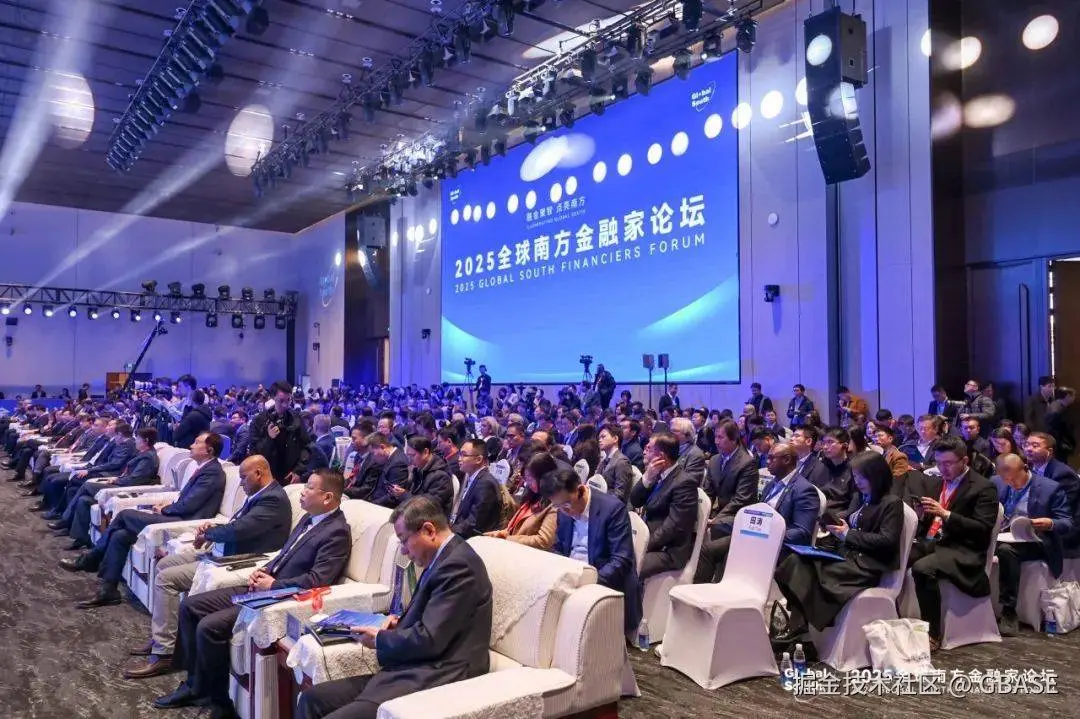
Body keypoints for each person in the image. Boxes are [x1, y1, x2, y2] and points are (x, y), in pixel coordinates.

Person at [153, 469, 351, 717]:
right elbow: (284, 554)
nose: (303, 491)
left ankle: (219, 702)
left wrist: (273, 585)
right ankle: (195, 684)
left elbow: (318, 580)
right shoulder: (308, 518)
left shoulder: (336, 531)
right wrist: (264, 570)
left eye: (310, 487)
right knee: (190, 605)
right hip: (263, 586)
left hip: (282, 597)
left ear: (327, 497)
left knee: (209, 626)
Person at [295, 496, 493, 719]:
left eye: (404, 540)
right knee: (311, 699)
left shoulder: (458, 566)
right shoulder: (443, 558)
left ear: (429, 530)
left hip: (440, 673)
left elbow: (430, 640)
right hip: (412, 668)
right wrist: (399, 625)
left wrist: (379, 639)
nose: (404, 551)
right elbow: (435, 621)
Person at [123, 455, 292, 679]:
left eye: (243, 477)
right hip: (222, 552)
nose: (241, 483)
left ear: (258, 473)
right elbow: (235, 525)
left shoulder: (273, 499)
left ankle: (164, 653)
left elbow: (239, 529)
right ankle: (167, 638)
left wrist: (208, 534)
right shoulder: (260, 495)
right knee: (164, 564)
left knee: (167, 579)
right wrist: (211, 528)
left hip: (238, 560)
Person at [60, 433, 227, 608]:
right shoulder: (203, 469)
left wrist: (165, 509)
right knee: (120, 535)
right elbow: (187, 499)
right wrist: (168, 504)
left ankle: (91, 558)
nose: (191, 445)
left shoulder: (212, 473)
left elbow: (190, 505)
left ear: (209, 450)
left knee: (124, 515)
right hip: (176, 514)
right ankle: (108, 590)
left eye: (197, 442)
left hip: (184, 521)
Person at [773, 452, 905, 641]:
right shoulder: (861, 497)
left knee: (805, 571)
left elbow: (887, 540)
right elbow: (849, 522)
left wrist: (847, 534)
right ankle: (800, 627)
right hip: (846, 555)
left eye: (862, 477)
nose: (857, 481)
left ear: (876, 475)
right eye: (855, 476)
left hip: (866, 566)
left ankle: (800, 629)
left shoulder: (892, 503)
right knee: (793, 561)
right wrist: (835, 526)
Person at [907, 435, 999, 649]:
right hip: (936, 541)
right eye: (938, 463)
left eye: (948, 463)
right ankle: (899, 619)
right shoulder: (937, 482)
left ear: (964, 461)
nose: (942, 468)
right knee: (896, 555)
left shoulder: (984, 487)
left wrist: (946, 514)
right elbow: (931, 521)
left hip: (964, 549)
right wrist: (921, 515)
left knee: (922, 569)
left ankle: (933, 633)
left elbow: (982, 529)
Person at [694, 443, 818, 584]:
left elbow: (802, 532)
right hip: (755, 535)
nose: (767, 462)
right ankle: (702, 591)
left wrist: (769, 534)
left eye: (772, 458)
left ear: (787, 460)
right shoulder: (771, 484)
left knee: (730, 553)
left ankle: (725, 590)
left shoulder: (804, 490)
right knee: (709, 547)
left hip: (776, 545)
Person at [543, 466, 642, 633]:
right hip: (572, 577)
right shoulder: (562, 510)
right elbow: (559, 548)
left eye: (567, 504)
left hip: (602, 581)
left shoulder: (612, 509)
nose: (564, 511)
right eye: (558, 506)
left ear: (580, 490)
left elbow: (621, 560)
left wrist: (587, 582)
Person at [992, 453, 1072, 636]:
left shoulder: (1050, 488)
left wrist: (1050, 523)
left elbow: (1067, 522)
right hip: (1002, 535)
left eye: (1014, 478)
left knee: (1006, 551)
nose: (1010, 483)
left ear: (1026, 468)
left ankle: (1009, 611)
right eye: (1005, 479)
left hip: (1036, 541)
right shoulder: (996, 482)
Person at [64, 427, 161, 548]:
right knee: (83, 499)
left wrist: (116, 480)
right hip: (119, 482)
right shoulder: (141, 453)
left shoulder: (148, 457)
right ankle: (82, 538)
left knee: (87, 484)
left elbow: (134, 480)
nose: (135, 441)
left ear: (145, 440)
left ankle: (65, 520)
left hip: (124, 488)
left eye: (138, 438)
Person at [629, 432, 700, 581]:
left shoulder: (684, 483)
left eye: (649, 448)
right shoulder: (655, 474)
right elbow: (635, 501)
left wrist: (643, 544)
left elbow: (672, 527)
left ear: (661, 456)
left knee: (627, 567)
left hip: (668, 551)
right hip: (647, 538)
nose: (644, 451)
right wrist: (647, 478)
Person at [485, 452, 557, 550]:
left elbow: (543, 541)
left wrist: (507, 539)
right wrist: (500, 534)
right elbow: (512, 529)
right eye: (527, 479)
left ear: (544, 478)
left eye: (531, 479)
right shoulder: (531, 498)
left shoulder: (554, 505)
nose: (528, 483)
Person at [248, 381, 310, 484]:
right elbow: (254, 452)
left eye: (288, 400)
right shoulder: (259, 421)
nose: (285, 405)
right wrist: (269, 438)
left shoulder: (296, 418)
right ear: (272, 398)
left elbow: (306, 446)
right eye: (281, 401)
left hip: (291, 476)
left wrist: (298, 471)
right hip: (267, 476)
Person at [449, 438, 502, 538]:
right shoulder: (472, 477)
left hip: (474, 540)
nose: (459, 459)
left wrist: (448, 533)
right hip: (462, 531)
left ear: (478, 459)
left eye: (464, 455)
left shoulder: (486, 483)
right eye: (460, 454)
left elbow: (474, 523)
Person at [396, 436, 454, 518]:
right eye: (408, 456)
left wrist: (404, 495)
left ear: (426, 452)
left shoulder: (441, 476)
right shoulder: (419, 468)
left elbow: (428, 506)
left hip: (431, 519)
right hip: (415, 513)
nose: (409, 460)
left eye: (412, 455)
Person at [366, 432, 411, 507]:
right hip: (376, 501)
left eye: (373, 453)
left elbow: (393, 496)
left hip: (384, 508)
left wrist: (371, 505)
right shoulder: (388, 458)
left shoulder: (398, 463)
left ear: (382, 447)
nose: (372, 458)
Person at [597, 422, 634, 503]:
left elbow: (620, 494)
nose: (599, 440)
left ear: (615, 439)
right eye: (599, 437)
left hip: (611, 506)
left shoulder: (622, 462)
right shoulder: (604, 460)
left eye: (603, 436)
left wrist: (599, 500)